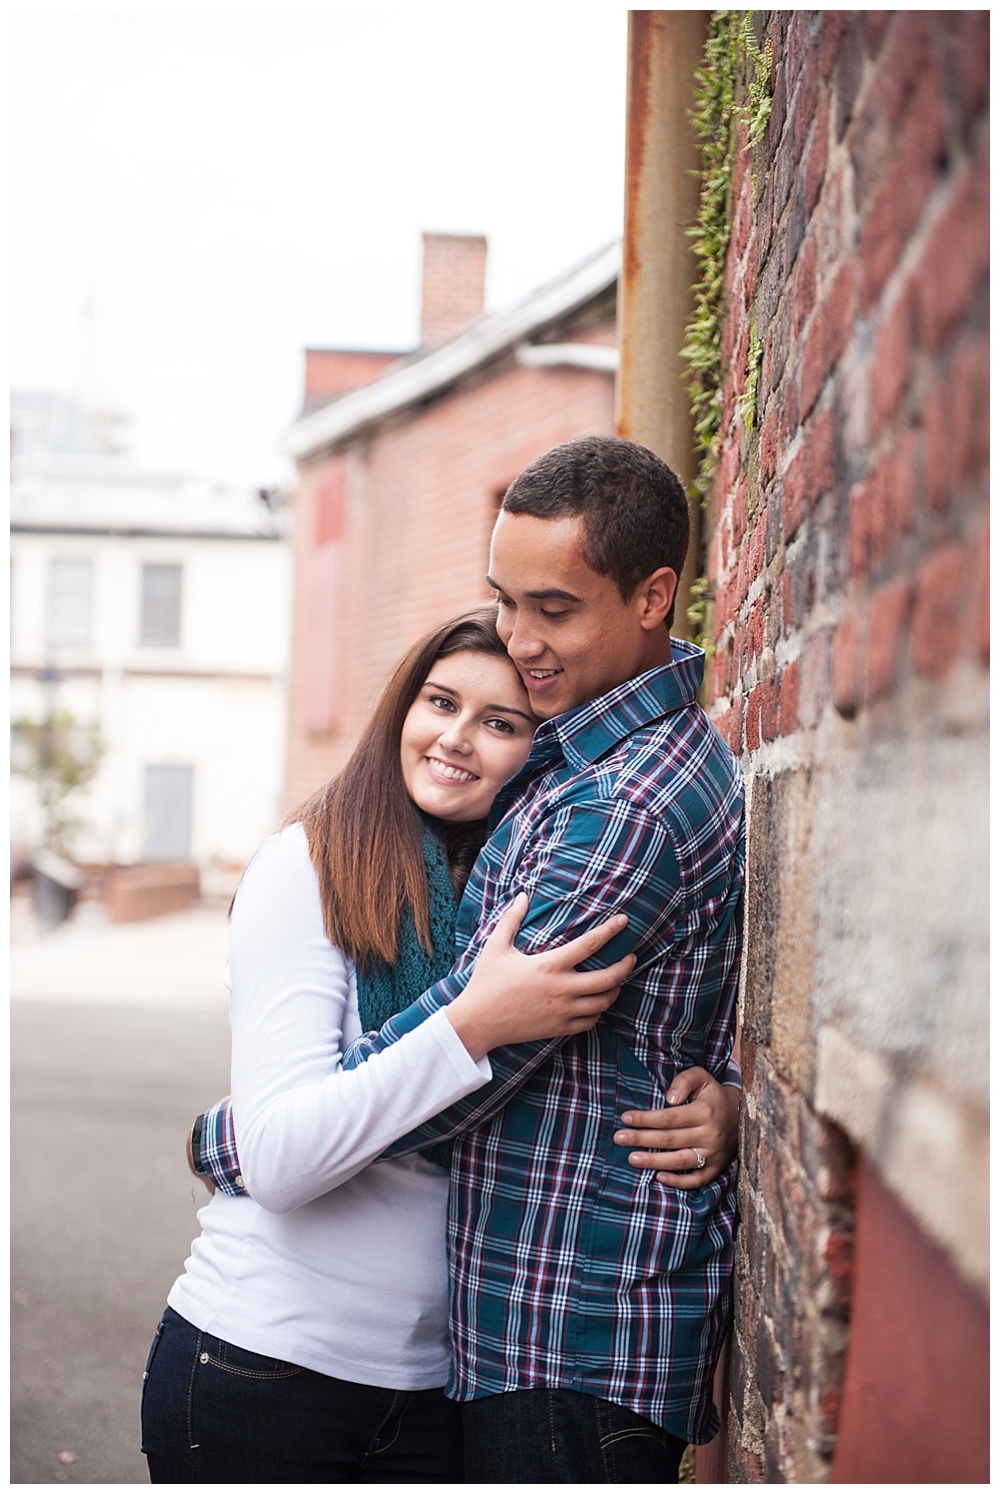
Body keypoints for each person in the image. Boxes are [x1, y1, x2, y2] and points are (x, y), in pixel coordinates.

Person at [192, 436, 745, 1483]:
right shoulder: (583, 761)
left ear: (652, 596)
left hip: (567, 1340)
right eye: (505, 600)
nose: (521, 638)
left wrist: (235, 1140)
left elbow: (466, 1070)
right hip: (502, 1343)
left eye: (554, 609)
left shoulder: (615, 808)